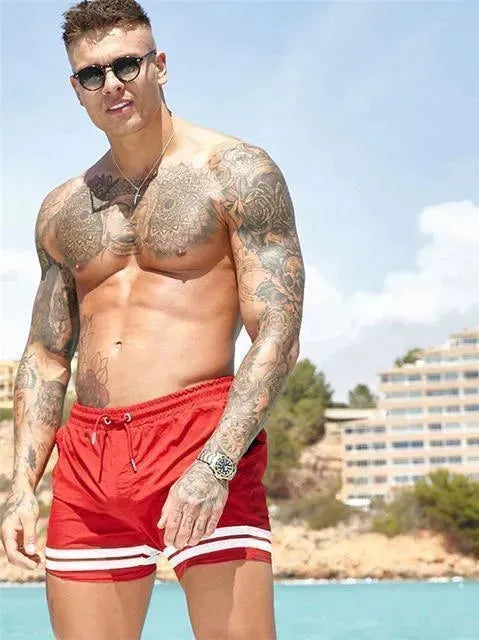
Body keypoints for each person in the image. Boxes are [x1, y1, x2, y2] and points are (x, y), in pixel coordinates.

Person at [0, 0, 305, 637]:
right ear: (76, 89)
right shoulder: (62, 209)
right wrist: (21, 487)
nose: (112, 84)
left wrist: (217, 464)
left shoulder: (235, 172)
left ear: (159, 65)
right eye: (92, 74)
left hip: (201, 434)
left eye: (127, 65)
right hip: (90, 457)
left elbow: (276, 332)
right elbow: (47, 355)